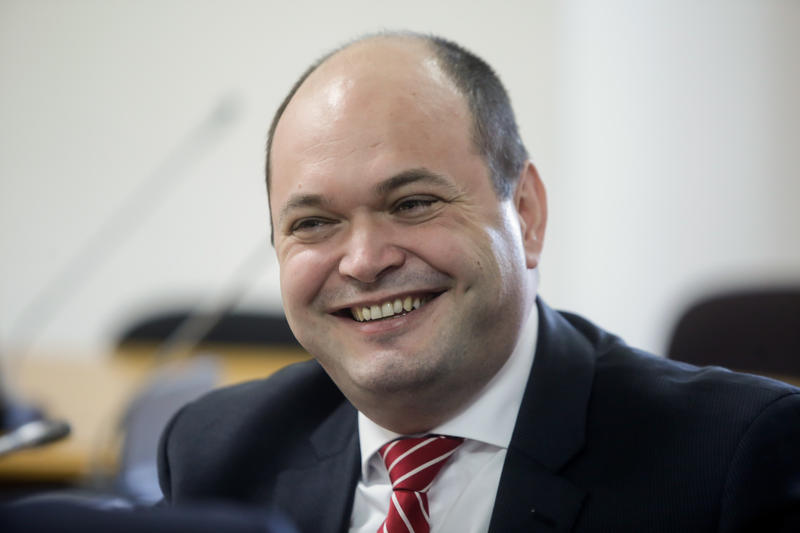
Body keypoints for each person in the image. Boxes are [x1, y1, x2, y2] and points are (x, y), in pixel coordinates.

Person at [157, 32, 800, 532]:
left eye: (412, 203)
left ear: (527, 213)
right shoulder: (215, 452)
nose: (364, 261)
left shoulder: (732, 459)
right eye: (314, 223)